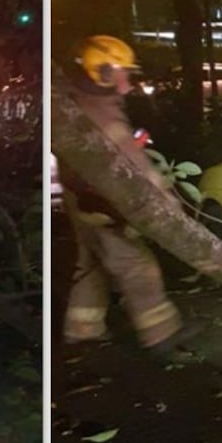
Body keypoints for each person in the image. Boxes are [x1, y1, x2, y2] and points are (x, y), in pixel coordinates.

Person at [60, 35, 200, 356]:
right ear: (104, 72)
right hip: (101, 203)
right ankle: (161, 333)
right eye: (123, 72)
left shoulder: (81, 99)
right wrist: (171, 206)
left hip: (80, 198)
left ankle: (82, 329)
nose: (128, 80)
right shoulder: (104, 114)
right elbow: (141, 171)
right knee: (137, 266)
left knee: (91, 264)